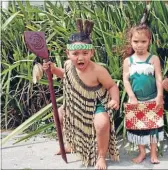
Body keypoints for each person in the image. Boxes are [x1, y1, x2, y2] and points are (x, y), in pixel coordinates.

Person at [43, 19, 120, 169]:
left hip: (96, 104)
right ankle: (71, 145)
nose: (80, 57)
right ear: (68, 53)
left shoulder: (98, 70)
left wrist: (115, 99)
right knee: (59, 114)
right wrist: (52, 69)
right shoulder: (67, 65)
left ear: (92, 52)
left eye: (85, 53)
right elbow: (65, 74)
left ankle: (101, 156)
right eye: (75, 53)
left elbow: (111, 86)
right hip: (76, 104)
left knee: (102, 123)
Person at [122, 24, 164, 164]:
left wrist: (159, 96)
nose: (139, 45)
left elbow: (158, 78)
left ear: (149, 41)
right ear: (131, 41)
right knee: (138, 126)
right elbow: (126, 80)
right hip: (136, 99)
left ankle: (153, 153)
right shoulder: (128, 61)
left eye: (143, 41)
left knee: (153, 126)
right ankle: (142, 152)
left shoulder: (153, 59)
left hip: (152, 97)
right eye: (136, 41)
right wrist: (132, 96)